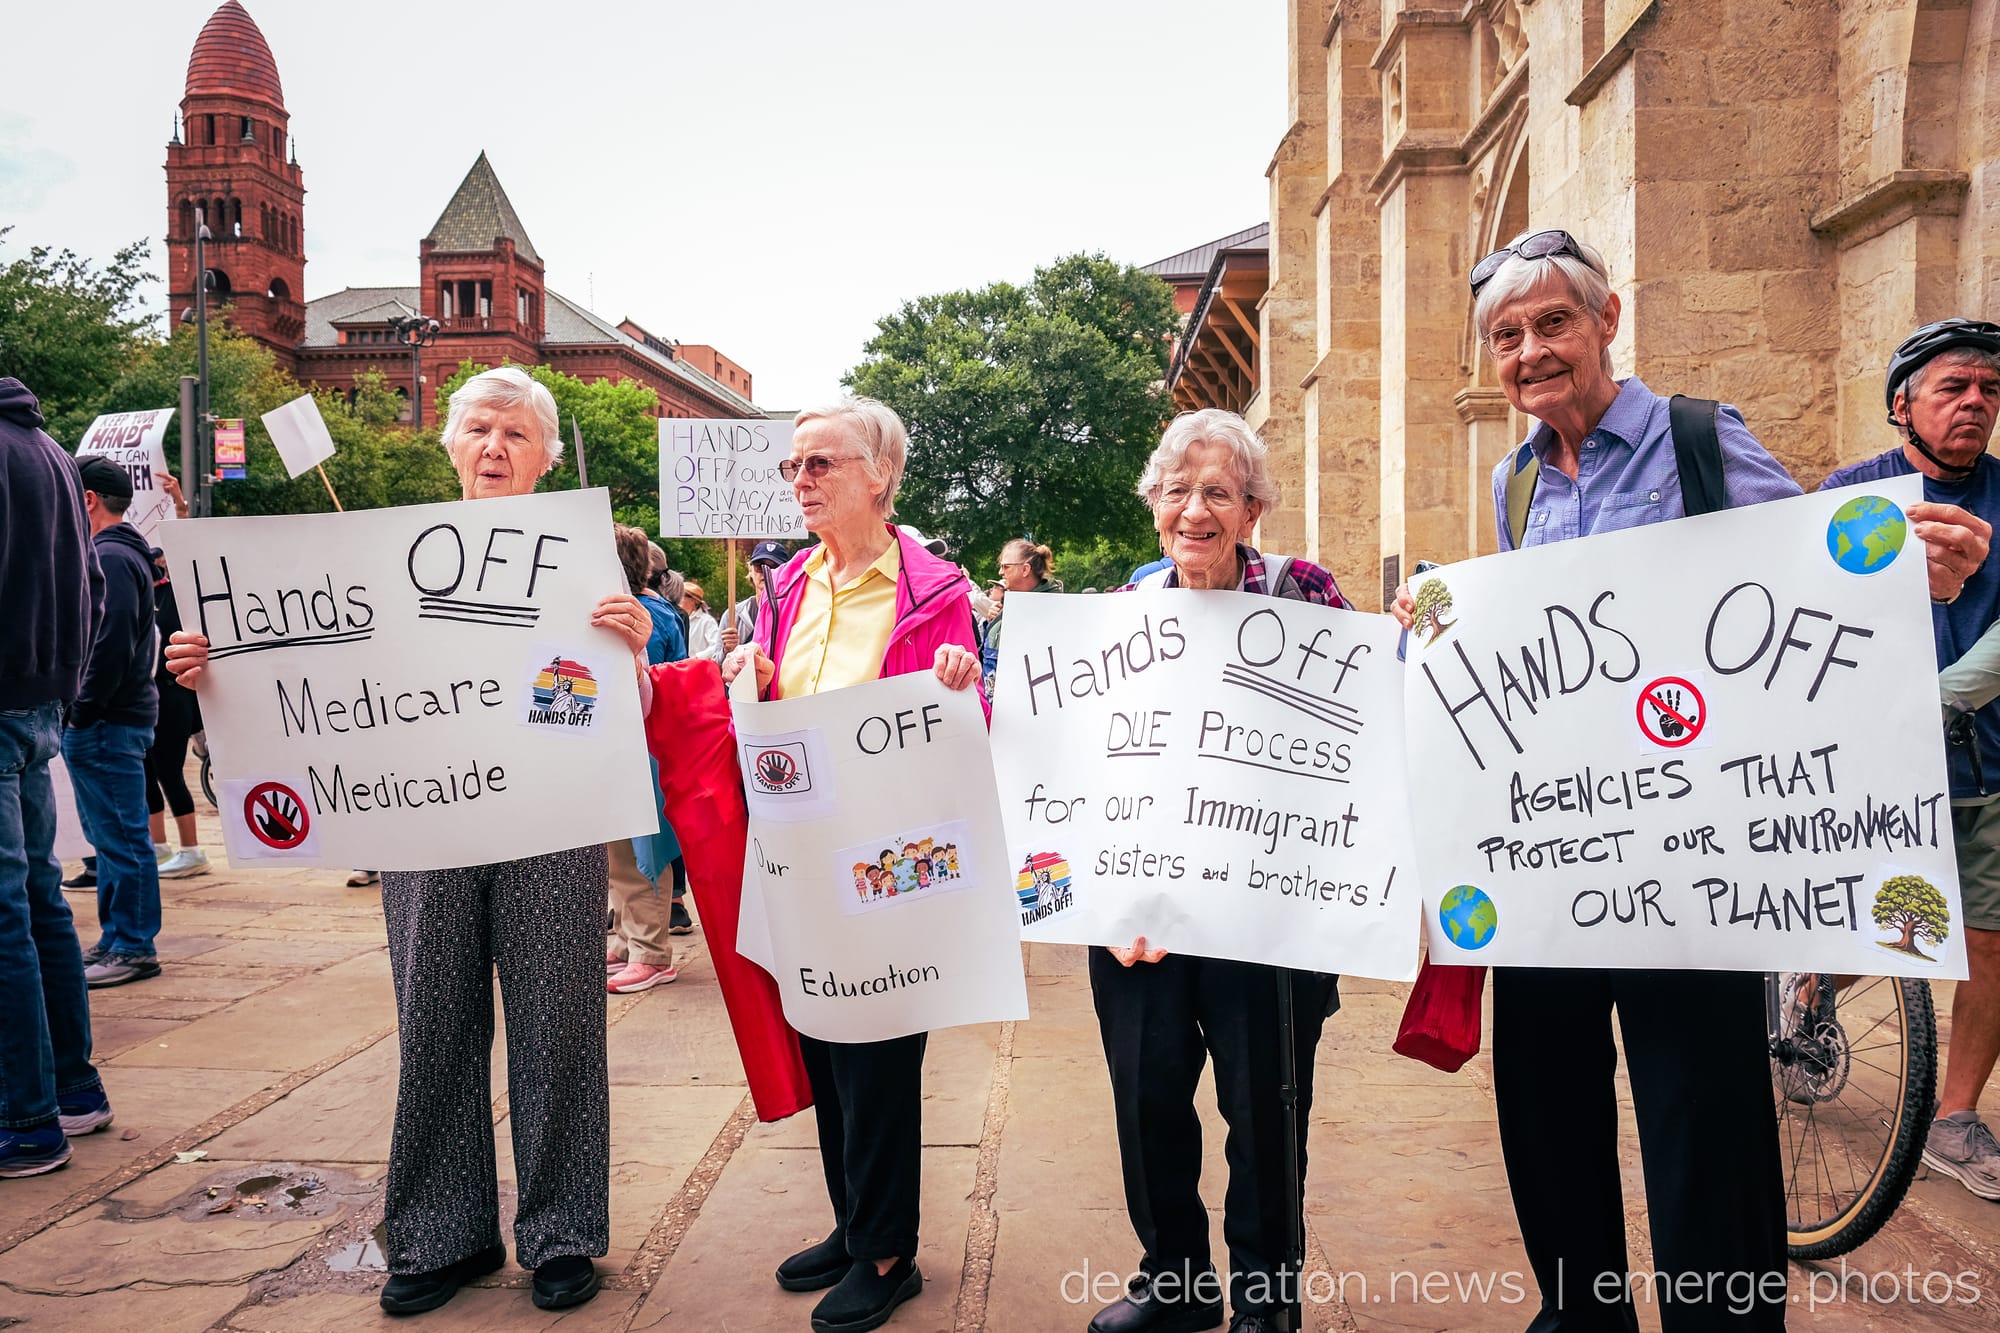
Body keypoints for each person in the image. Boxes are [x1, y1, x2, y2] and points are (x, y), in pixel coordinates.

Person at [1388, 229, 1816, 1329]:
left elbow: (1813, 581)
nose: (1530, 350)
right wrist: (1438, 630)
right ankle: (1579, 1312)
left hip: (1690, 847)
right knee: (1546, 1095)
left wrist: (1910, 564)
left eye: (1552, 323)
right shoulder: (1514, 480)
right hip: (1555, 848)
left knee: (1701, 1105)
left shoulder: (1699, 439)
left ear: (1606, 319)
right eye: (1506, 335)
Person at [165, 366, 653, 1316]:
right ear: (451, 445)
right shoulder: (381, 557)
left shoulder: (582, 564)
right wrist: (215, 670)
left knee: (559, 1027)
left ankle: (561, 1233)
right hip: (424, 826)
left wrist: (632, 651)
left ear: (547, 458)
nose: (495, 448)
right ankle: (440, 1233)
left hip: (550, 823)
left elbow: (623, 715)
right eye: (479, 430)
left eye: (516, 434)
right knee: (434, 1026)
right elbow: (304, 676)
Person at [717, 395, 983, 1333]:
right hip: (801, 853)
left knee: (879, 1059)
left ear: (880, 475)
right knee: (825, 1043)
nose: (801, 480)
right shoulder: (786, 586)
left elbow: (971, 724)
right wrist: (748, 678)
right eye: (793, 465)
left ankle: (886, 1252)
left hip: (888, 860)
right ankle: (851, 1219)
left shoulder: (934, 591)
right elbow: (771, 705)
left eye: (821, 463)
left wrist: (963, 684)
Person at [1086, 409, 1345, 1333]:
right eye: (1177, 491)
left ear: (1252, 510)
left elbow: (1359, 727)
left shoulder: (1304, 593)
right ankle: (1176, 1280)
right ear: (1155, 504)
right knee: (1147, 1094)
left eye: (1219, 493)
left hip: (1266, 910)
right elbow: (1080, 761)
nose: (1194, 510)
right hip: (1144, 911)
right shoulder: (1122, 608)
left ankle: (1267, 1294)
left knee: (1265, 1104)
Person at [1820, 317, 2000, 1202]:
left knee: (1989, 937)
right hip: (1871, 758)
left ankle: (1954, 1116)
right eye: (1953, 388)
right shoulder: (1851, 493)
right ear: (1903, 405)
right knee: (1875, 916)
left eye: (1989, 391)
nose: (1975, 403)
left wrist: (1944, 696)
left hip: (1986, 756)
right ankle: (1811, 990)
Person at [0, 377, 113, 1178]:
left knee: (10, 908)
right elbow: (89, 589)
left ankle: (27, 1116)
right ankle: (71, 1086)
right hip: (40, 701)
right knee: (38, 899)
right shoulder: (49, 452)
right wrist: (64, 683)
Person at [67, 455, 164, 990]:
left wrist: (82, 710)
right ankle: (117, 938)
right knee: (111, 838)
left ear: (87, 500)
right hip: (108, 719)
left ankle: (132, 944)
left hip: (107, 721)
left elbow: (110, 642)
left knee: (122, 839)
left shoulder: (111, 556)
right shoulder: (119, 553)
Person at [605, 524, 685, 994]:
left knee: (642, 852)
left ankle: (650, 951)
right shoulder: (647, 609)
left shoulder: (644, 615)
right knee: (620, 850)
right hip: (624, 747)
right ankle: (627, 938)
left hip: (644, 747)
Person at [145, 517, 208, 879]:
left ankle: (192, 849)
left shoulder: (177, 594)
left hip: (174, 696)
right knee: (147, 771)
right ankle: (158, 845)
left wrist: (181, 509)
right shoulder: (144, 595)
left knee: (170, 771)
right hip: (149, 696)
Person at [980, 538, 1060, 697]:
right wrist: (993, 622)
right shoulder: (1009, 606)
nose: (1000, 572)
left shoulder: (1054, 610)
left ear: (1025, 570)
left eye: (1006, 566)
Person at [722, 540, 789, 652]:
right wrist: (727, 650)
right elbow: (716, 660)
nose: (766, 572)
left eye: (774, 567)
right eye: (760, 566)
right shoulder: (733, 615)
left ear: (785, 572)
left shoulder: (793, 613)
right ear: (750, 569)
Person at [683, 580, 724, 662]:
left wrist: (696, 658)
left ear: (694, 600)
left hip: (698, 667)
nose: (677, 599)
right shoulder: (677, 620)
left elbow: (716, 646)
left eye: (681, 595)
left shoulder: (707, 621)